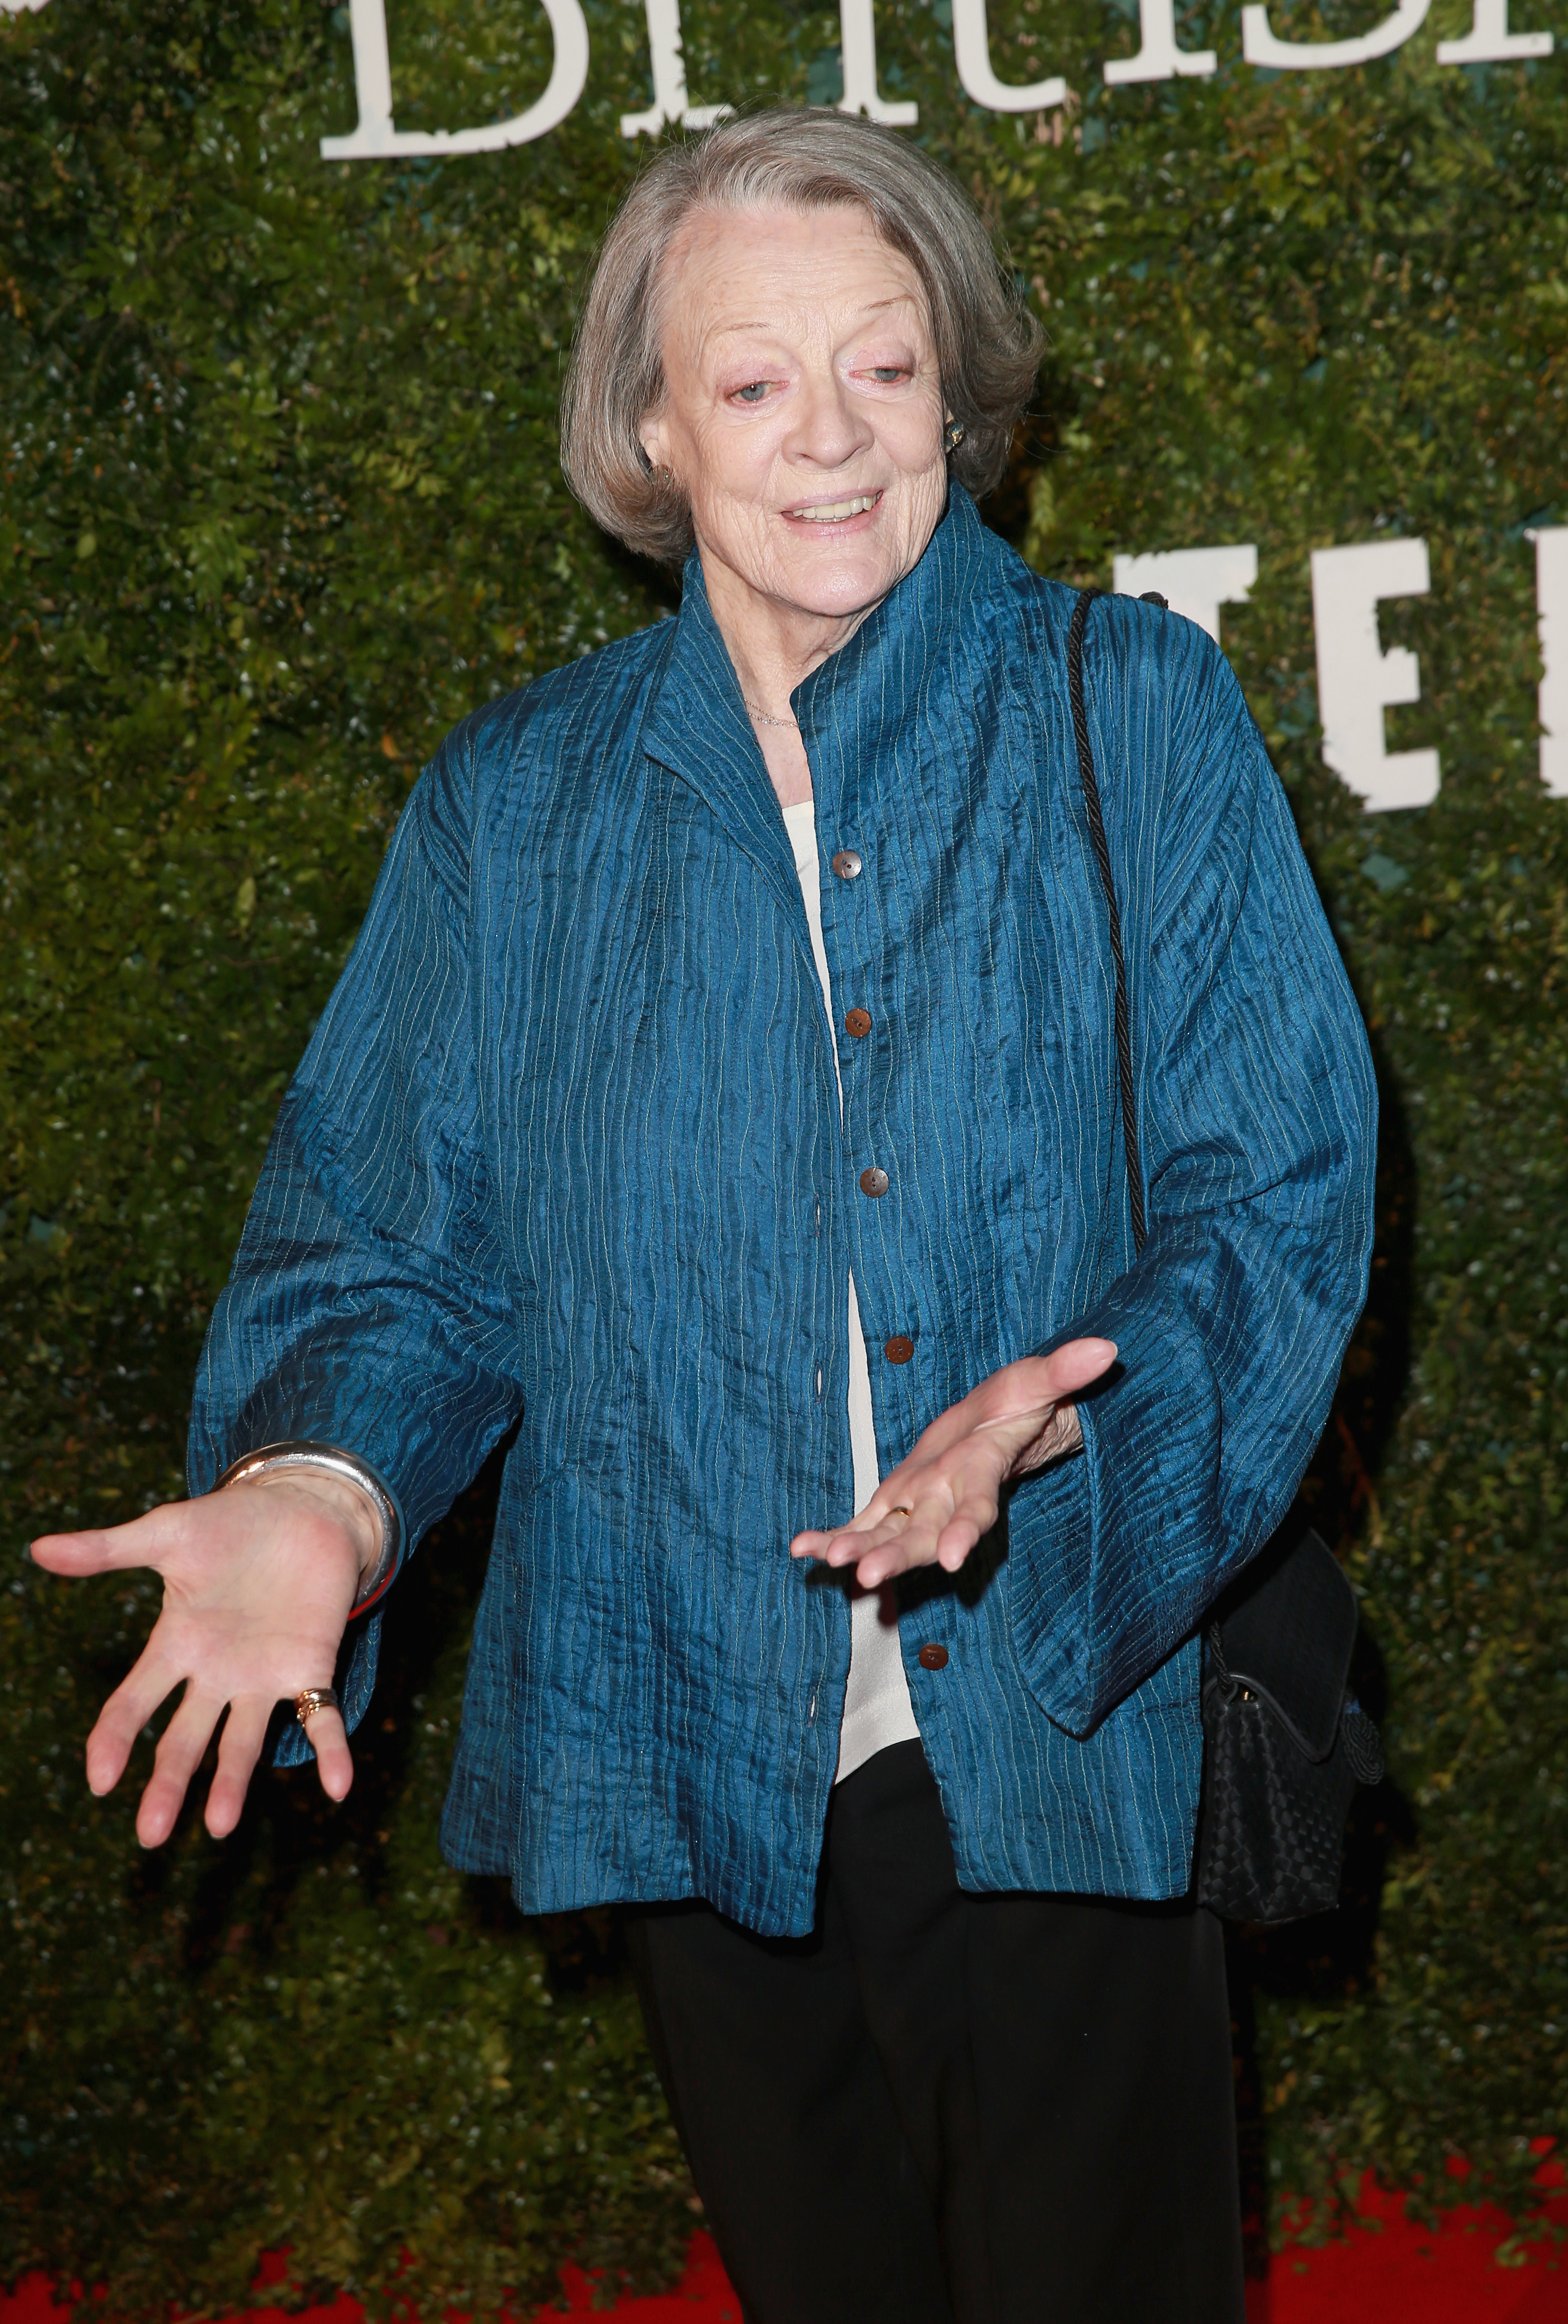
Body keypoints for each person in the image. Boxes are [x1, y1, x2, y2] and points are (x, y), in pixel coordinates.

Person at [32, 108, 1376, 2324]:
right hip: (692, 1717)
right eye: (754, 383)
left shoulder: (1127, 709)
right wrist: (320, 1489)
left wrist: (1062, 1426)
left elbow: (1285, 1176)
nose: (833, 439)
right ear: (654, 429)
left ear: (959, 386)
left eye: (886, 365)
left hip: (1058, 1686)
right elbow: (392, 1245)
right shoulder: (516, 808)